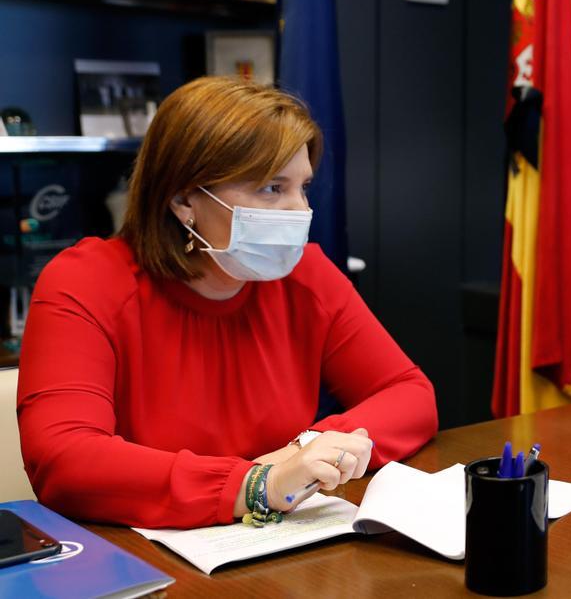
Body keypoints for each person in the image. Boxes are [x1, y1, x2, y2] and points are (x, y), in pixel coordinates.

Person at [18, 77, 438, 529]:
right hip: (143, 557)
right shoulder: (85, 281)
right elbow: (63, 458)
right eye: (271, 189)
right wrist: (258, 485)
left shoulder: (306, 274)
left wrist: (310, 447)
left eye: (304, 187)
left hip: (271, 549)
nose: (300, 211)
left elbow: (411, 396)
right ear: (183, 199)